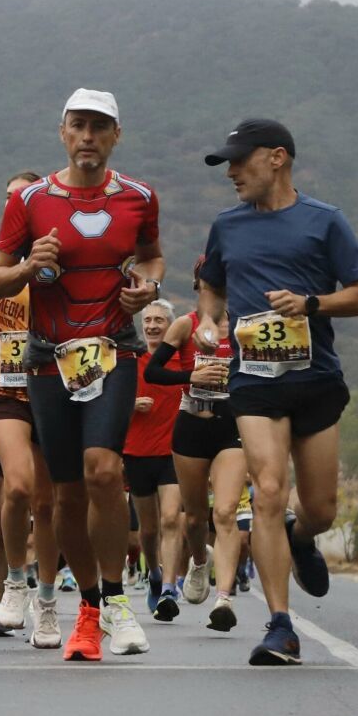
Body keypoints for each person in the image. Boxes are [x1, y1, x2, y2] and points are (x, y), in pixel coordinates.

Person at [0, 90, 161, 662]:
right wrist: (29, 266)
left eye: (100, 127)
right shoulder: (31, 201)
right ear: (62, 132)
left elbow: (152, 256)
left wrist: (147, 287)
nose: (88, 136)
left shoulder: (139, 198)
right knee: (63, 493)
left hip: (114, 349)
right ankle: (87, 607)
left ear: (116, 136)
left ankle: (117, 603)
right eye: (78, 125)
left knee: (104, 471)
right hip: (46, 356)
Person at [198, 118, 358, 666]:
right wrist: (210, 321)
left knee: (319, 508)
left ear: (277, 158)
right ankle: (280, 626)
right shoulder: (226, 226)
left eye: (240, 160)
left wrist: (311, 304)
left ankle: (302, 536)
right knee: (268, 490)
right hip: (253, 380)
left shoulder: (325, 221)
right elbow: (211, 283)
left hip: (314, 377)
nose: (231, 172)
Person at [0, 174, 62, 649]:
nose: (13, 205)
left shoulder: (62, 253)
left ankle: (45, 602)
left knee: (46, 502)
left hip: (53, 381)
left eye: (21, 197)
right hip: (4, 386)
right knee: (17, 485)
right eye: (7, 198)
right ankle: (15, 583)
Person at [145, 260, 247, 632]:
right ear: (198, 286)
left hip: (230, 426)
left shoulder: (241, 327)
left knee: (224, 513)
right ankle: (199, 564)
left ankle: (223, 600)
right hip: (191, 425)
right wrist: (192, 375)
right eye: (209, 283)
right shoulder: (185, 324)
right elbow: (152, 372)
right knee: (193, 518)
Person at [128, 301, 187, 621]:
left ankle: (168, 587)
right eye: (147, 320)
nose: (151, 325)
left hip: (173, 453)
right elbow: (107, 398)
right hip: (136, 452)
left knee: (169, 519)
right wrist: (131, 403)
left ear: (170, 326)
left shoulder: (180, 361)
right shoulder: (131, 359)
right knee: (147, 531)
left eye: (159, 320)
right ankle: (153, 572)